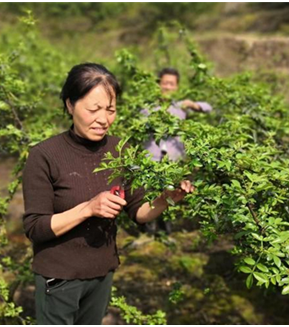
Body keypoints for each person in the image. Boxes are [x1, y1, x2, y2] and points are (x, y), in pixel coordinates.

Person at [22, 63, 195, 325]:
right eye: (93, 109)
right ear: (70, 105)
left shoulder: (120, 150)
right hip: (59, 280)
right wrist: (88, 208)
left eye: (110, 110)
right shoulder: (44, 155)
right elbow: (35, 227)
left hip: (101, 274)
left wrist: (166, 198)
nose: (103, 119)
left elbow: (139, 212)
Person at [141, 67, 212, 235]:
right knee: (151, 194)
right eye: (165, 83)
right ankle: (149, 230)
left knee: (171, 193)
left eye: (171, 84)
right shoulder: (148, 107)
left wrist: (193, 104)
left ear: (177, 87)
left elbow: (208, 107)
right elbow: (141, 124)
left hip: (174, 160)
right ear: (158, 84)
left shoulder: (180, 107)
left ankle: (166, 230)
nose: (168, 87)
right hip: (152, 158)